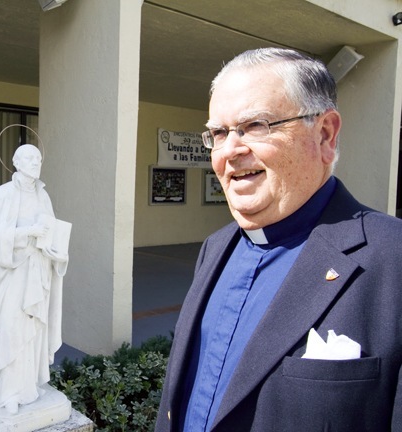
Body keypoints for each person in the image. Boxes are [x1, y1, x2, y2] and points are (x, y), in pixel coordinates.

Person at [155, 47, 402, 431]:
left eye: (256, 125)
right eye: (219, 132)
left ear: (325, 134)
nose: (231, 150)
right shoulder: (215, 248)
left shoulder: (393, 259)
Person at [0, 144, 68, 415]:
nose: (35, 162)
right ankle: (7, 390)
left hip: (38, 270)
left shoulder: (43, 196)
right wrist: (28, 231)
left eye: (38, 158)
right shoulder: (3, 194)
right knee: (10, 327)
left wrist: (57, 249)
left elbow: (52, 232)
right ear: (16, 162)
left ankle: (28, 386)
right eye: (29, 158)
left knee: (33, 329)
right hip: (12, 274)